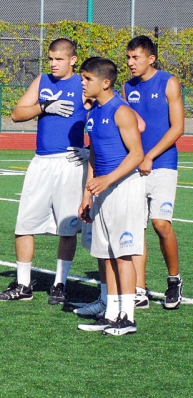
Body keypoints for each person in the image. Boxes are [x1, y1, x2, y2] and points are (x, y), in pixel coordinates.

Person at [0, 38, 89, 305]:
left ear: (72, 60)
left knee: (67, 228)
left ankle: (60, 284)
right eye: (50, 59)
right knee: (24, 224)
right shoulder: (42, 81)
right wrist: (44, 107)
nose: (53, 64)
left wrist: (91, 151)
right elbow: (17, 113)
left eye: (59, 59)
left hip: (70, 162)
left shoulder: (83, 84)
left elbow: (110, 116)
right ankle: (23, 285)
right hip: (41, 161)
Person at [76, 57, 144, 335]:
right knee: (105, 254)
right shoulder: (94, 112)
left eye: (87, 79)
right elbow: (94, 155)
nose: (82, 83)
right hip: (103, 190)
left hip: (124, 188)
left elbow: (137, 154)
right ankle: (112, 313)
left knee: (123, 254)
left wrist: (108, 180)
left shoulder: (121, 112)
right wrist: (86, 194)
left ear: (105, 83)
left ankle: (127, 318)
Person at [122, 35, 185, 310]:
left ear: (151, 58)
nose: (130, 63)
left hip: (162, 164)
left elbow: (177, 128)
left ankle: (174, 280)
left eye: (135, 57)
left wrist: (150, 155)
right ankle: (139, 290)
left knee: (160, 224)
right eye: (128, 57)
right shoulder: (127, 86)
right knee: (137, 228)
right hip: (135, 167)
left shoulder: (169, 82)